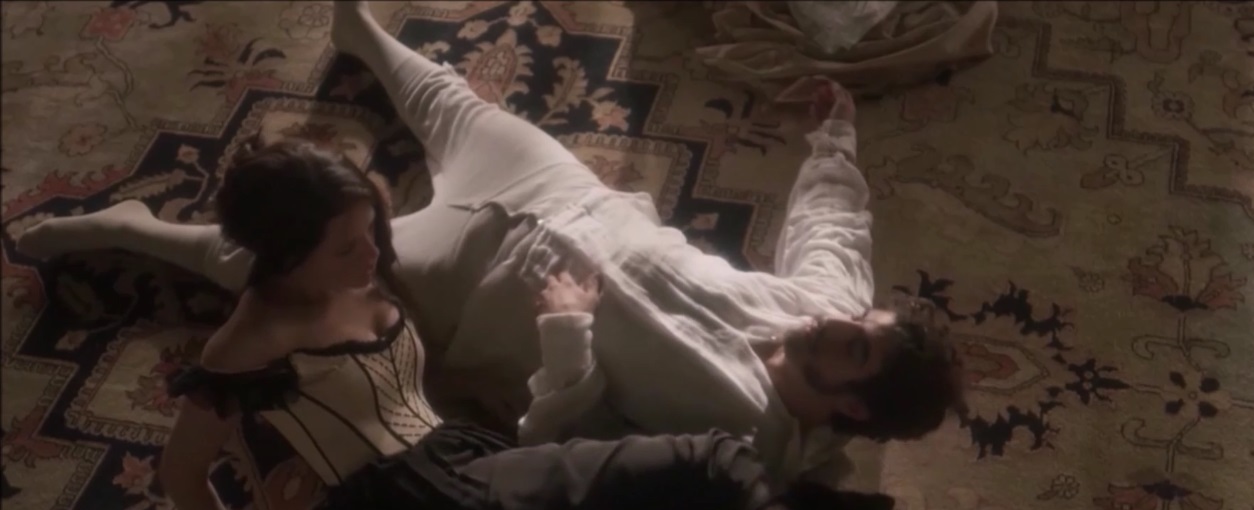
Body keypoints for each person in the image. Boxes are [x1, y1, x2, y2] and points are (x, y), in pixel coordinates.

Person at [149, 137, 1131, 510]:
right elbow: (182, 479)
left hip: (466, 470)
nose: (372, 253)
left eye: (372, 230)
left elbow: (833, 242)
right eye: (346, 245)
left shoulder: (364, 273)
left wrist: (832, 139)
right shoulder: (245, 348)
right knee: (715, 476)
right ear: (282, 255)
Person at [17, 1, 960, 485]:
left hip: (470, 287)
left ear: (853, 408)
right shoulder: (820, 308)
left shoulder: (740, 441)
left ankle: (136, 231)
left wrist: (568, 335)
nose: (837, 320)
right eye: (860, 320)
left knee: (280, 272)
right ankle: (364, 34)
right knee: (458, 107)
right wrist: (833, 137)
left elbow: (568, 445)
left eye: (854, 345)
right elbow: (834, 230)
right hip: (565, 196)